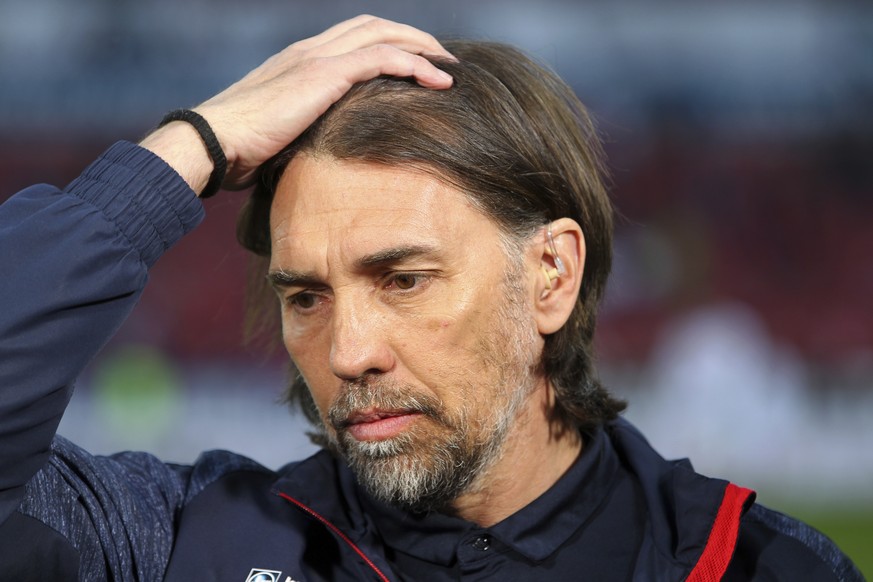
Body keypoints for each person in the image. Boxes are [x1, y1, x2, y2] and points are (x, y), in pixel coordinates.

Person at [0, 15, 861, 582]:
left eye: (402, 280)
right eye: (306, 297)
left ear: (552, 276)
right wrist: (193, 144)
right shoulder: (177, 540)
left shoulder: (755, 566)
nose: (348, 352)